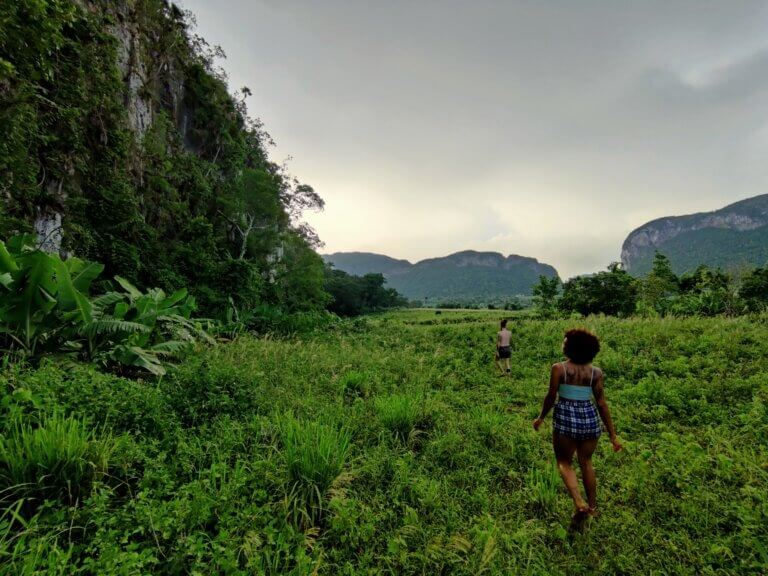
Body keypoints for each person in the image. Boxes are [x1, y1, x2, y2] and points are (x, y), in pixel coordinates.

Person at [532, 328, 622, 527]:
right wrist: (613, 436)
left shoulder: (559, 369)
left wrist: (540, 418)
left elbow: (550, 397)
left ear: (572, 347)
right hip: (589, 419)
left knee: (564, 462)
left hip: (566, 418)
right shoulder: (596, 373)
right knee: (587, 463)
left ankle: (578, 502)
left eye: (565, 342)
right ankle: (593, 508)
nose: (563, 344)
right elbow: (601, 403)